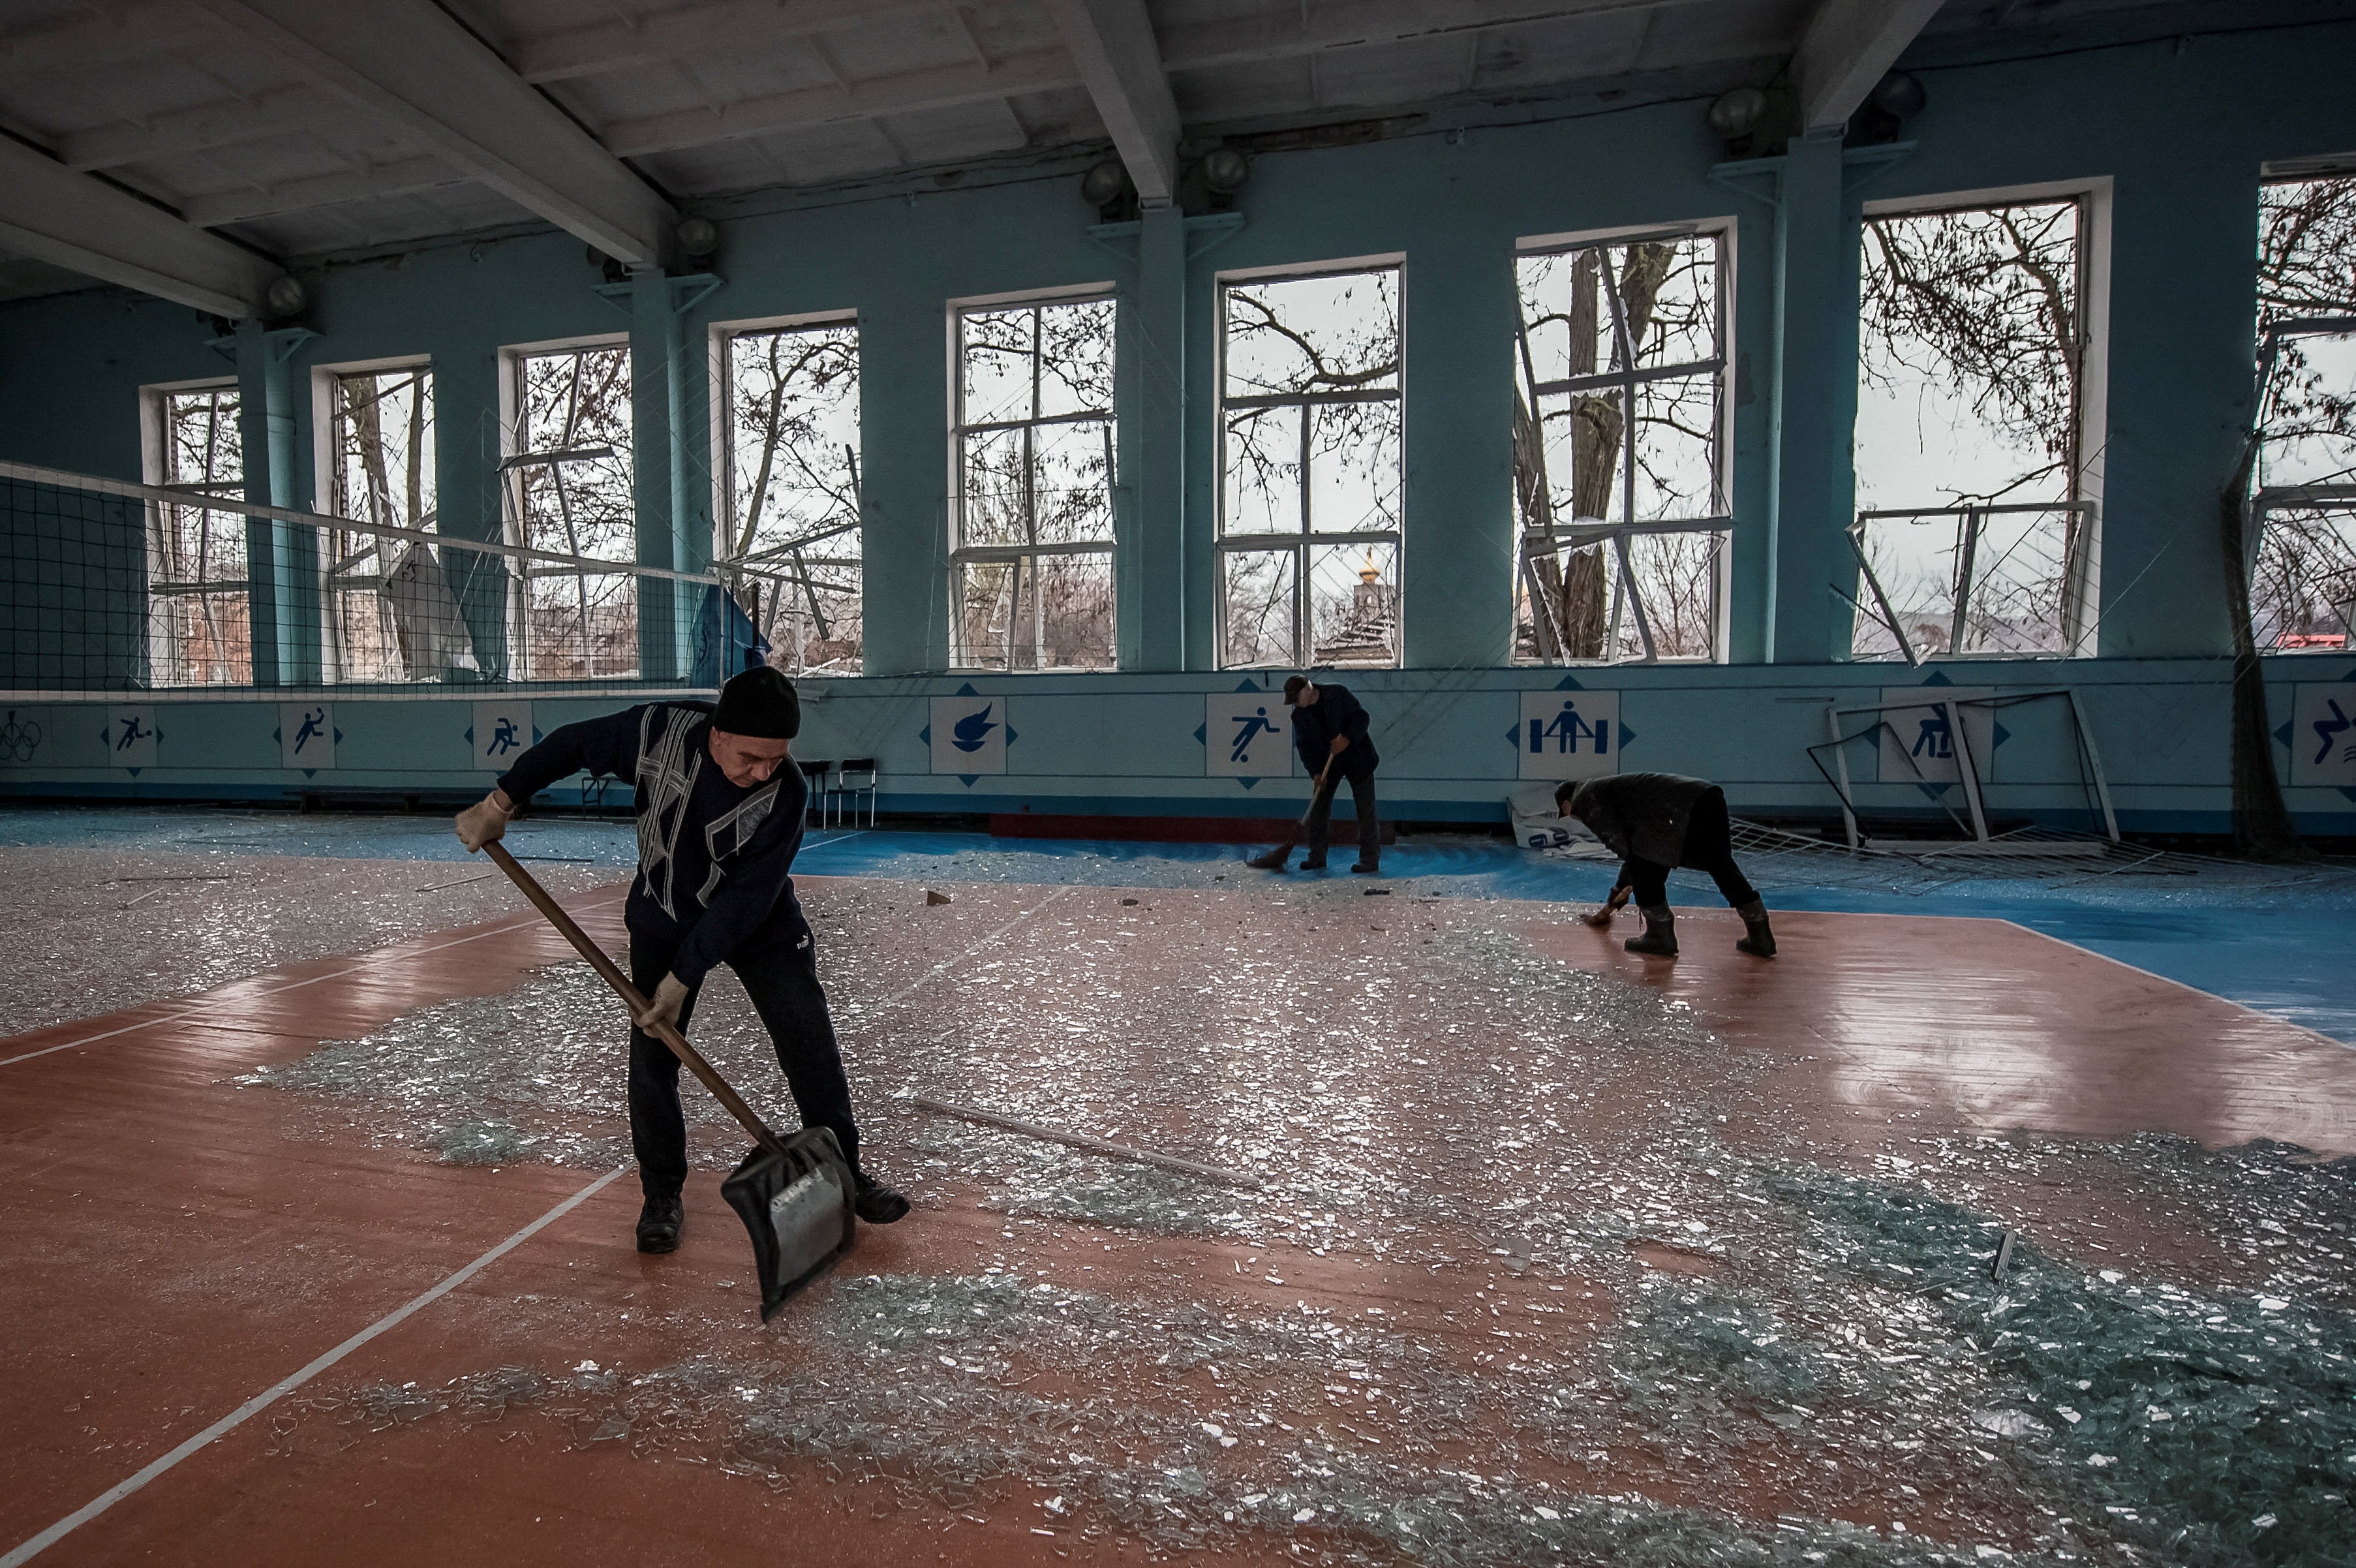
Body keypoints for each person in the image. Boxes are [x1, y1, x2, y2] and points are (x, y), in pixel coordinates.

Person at [452, 666, 909, 1253]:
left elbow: (745, 900)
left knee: (808, 1042)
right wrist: (502, 800)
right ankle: (661, 1194)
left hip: (759, 923)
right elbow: (570, 744)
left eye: (777, 758)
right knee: (653, 1057)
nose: (763, 771)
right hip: (664, 916)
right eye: (751, 757)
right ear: (717, 734)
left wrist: (684, 976)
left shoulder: (786, 793)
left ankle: (844, 1174)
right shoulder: (655, 731)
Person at [1557, 772, 1776, 959]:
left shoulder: (1586, 798)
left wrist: (1619, 890)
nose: (1573, 817)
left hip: (1671, 810)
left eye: (1567, 813)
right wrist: (1620, 889)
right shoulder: (1605, 789)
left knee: (1646, 870)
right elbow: (1633, 847)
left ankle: (1659, 937)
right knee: (1720, 864)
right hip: (1707, 796)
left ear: (1567, 805)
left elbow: (1624, 847)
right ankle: (1760, 936)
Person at [1255, 674, 1381, 874]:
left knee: (1365, 809)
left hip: (1358, 758)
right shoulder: (1299, 715)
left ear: (1308, 689)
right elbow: (1305, 746)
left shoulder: (1338, 694)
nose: (1296, 704)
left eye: (1297, 699)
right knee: (1319, 808)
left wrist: (1347, 738)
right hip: (1327, 764)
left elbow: (1362, 718)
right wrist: (1315, 773)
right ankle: (1317, 856)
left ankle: (1369, 860)